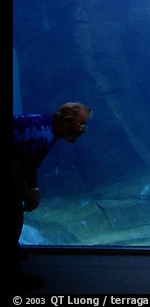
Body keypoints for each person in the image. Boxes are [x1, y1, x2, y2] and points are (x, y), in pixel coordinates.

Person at [10, 102, 92, 292]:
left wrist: (35, 189)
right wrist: (28, 196)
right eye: (82, 125)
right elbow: (14, 170)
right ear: (67, 121)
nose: (83, 130)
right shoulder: (42, 136)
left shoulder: (46, 125)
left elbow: (28, 161)